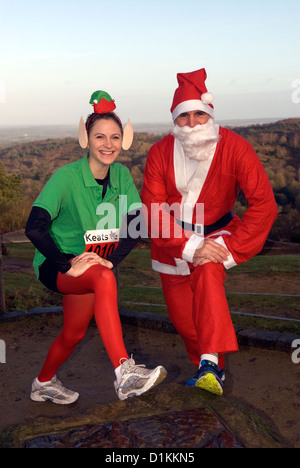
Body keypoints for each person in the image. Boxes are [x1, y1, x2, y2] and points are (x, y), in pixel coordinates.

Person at [141, 68, 277, 396]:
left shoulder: (236, 147)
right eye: (184, 116)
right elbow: (154, 210)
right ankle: (209, 366)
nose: (192, 123)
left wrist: (232, 248)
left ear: (210, 115)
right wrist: (189, 246)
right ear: (175, 120)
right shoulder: (158, 153)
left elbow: (264, 204)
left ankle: (209, 363)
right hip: (171, 244)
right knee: (186, 322)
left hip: (219, 237)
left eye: (199, 114)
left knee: (207, 272)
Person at [25, 90, 167, 405]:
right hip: (57, 265)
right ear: (86, 139)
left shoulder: (121, 175)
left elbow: (135, 226)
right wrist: (66, 264)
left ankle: (43, 382)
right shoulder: (66, 177)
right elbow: (33, 227)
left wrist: (110, 261)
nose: (107, 144)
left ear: (123, 140)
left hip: (94, 265)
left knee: (74, 333)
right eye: (99, 136)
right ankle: (124, 374)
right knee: (103, 279)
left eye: (114, 137)